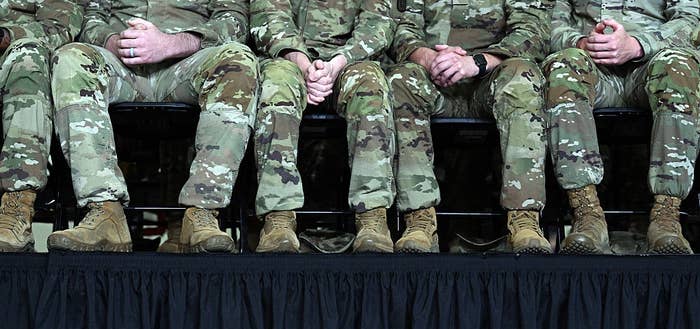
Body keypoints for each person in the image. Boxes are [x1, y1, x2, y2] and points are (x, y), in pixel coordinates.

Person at [48, 0, 258, 253]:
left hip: (189, 64)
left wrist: (171, 44)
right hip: (120, 65)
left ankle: (202, 213)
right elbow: (90, 15)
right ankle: (103, 211)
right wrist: (114, 42)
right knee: (70, 57)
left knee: (238, 59)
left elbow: (234, 20)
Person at [385, 0, 553, 254]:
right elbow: (401, 27)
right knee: (401, 79)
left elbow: (532, 29)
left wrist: (477, 62)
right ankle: (419, 220)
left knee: (522, 76)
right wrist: (429, 58)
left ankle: (524, 219)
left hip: (492, 78)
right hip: (432, 79)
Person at [544, 0, 700, 254]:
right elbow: (548, 19)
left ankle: (667, 218)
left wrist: (638, 45)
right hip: (591, 66)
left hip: (653, 62)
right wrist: (581, 43)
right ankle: (586, 216)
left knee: (679, 66)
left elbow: (691, 18)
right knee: (564, 65)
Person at [250, 0, 397, 253]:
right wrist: (305, 66)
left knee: (370, 85)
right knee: (277, 82)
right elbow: (270, 16)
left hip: (351, 61)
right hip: (288, 59)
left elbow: (377, 23)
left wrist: (337, 64)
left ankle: (372, 217)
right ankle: (278, 218)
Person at [0, 1, 82, 252]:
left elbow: (60, 28)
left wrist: (6, 36)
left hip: (16, 62)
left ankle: (17, 208)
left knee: (29, 56)